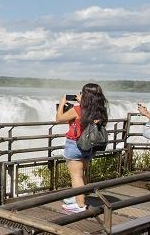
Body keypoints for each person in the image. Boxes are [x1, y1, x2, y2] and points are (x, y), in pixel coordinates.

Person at [54, 83, 108, 214]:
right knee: (81, 173)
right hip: (90, 146)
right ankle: (78, 199)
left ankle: (80, 205)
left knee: (76, 176)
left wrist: (62, 103)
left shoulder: (78, 109)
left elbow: (58, 118)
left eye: (82, 93)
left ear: (86, 96)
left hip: (75, 144)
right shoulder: (100, 110)